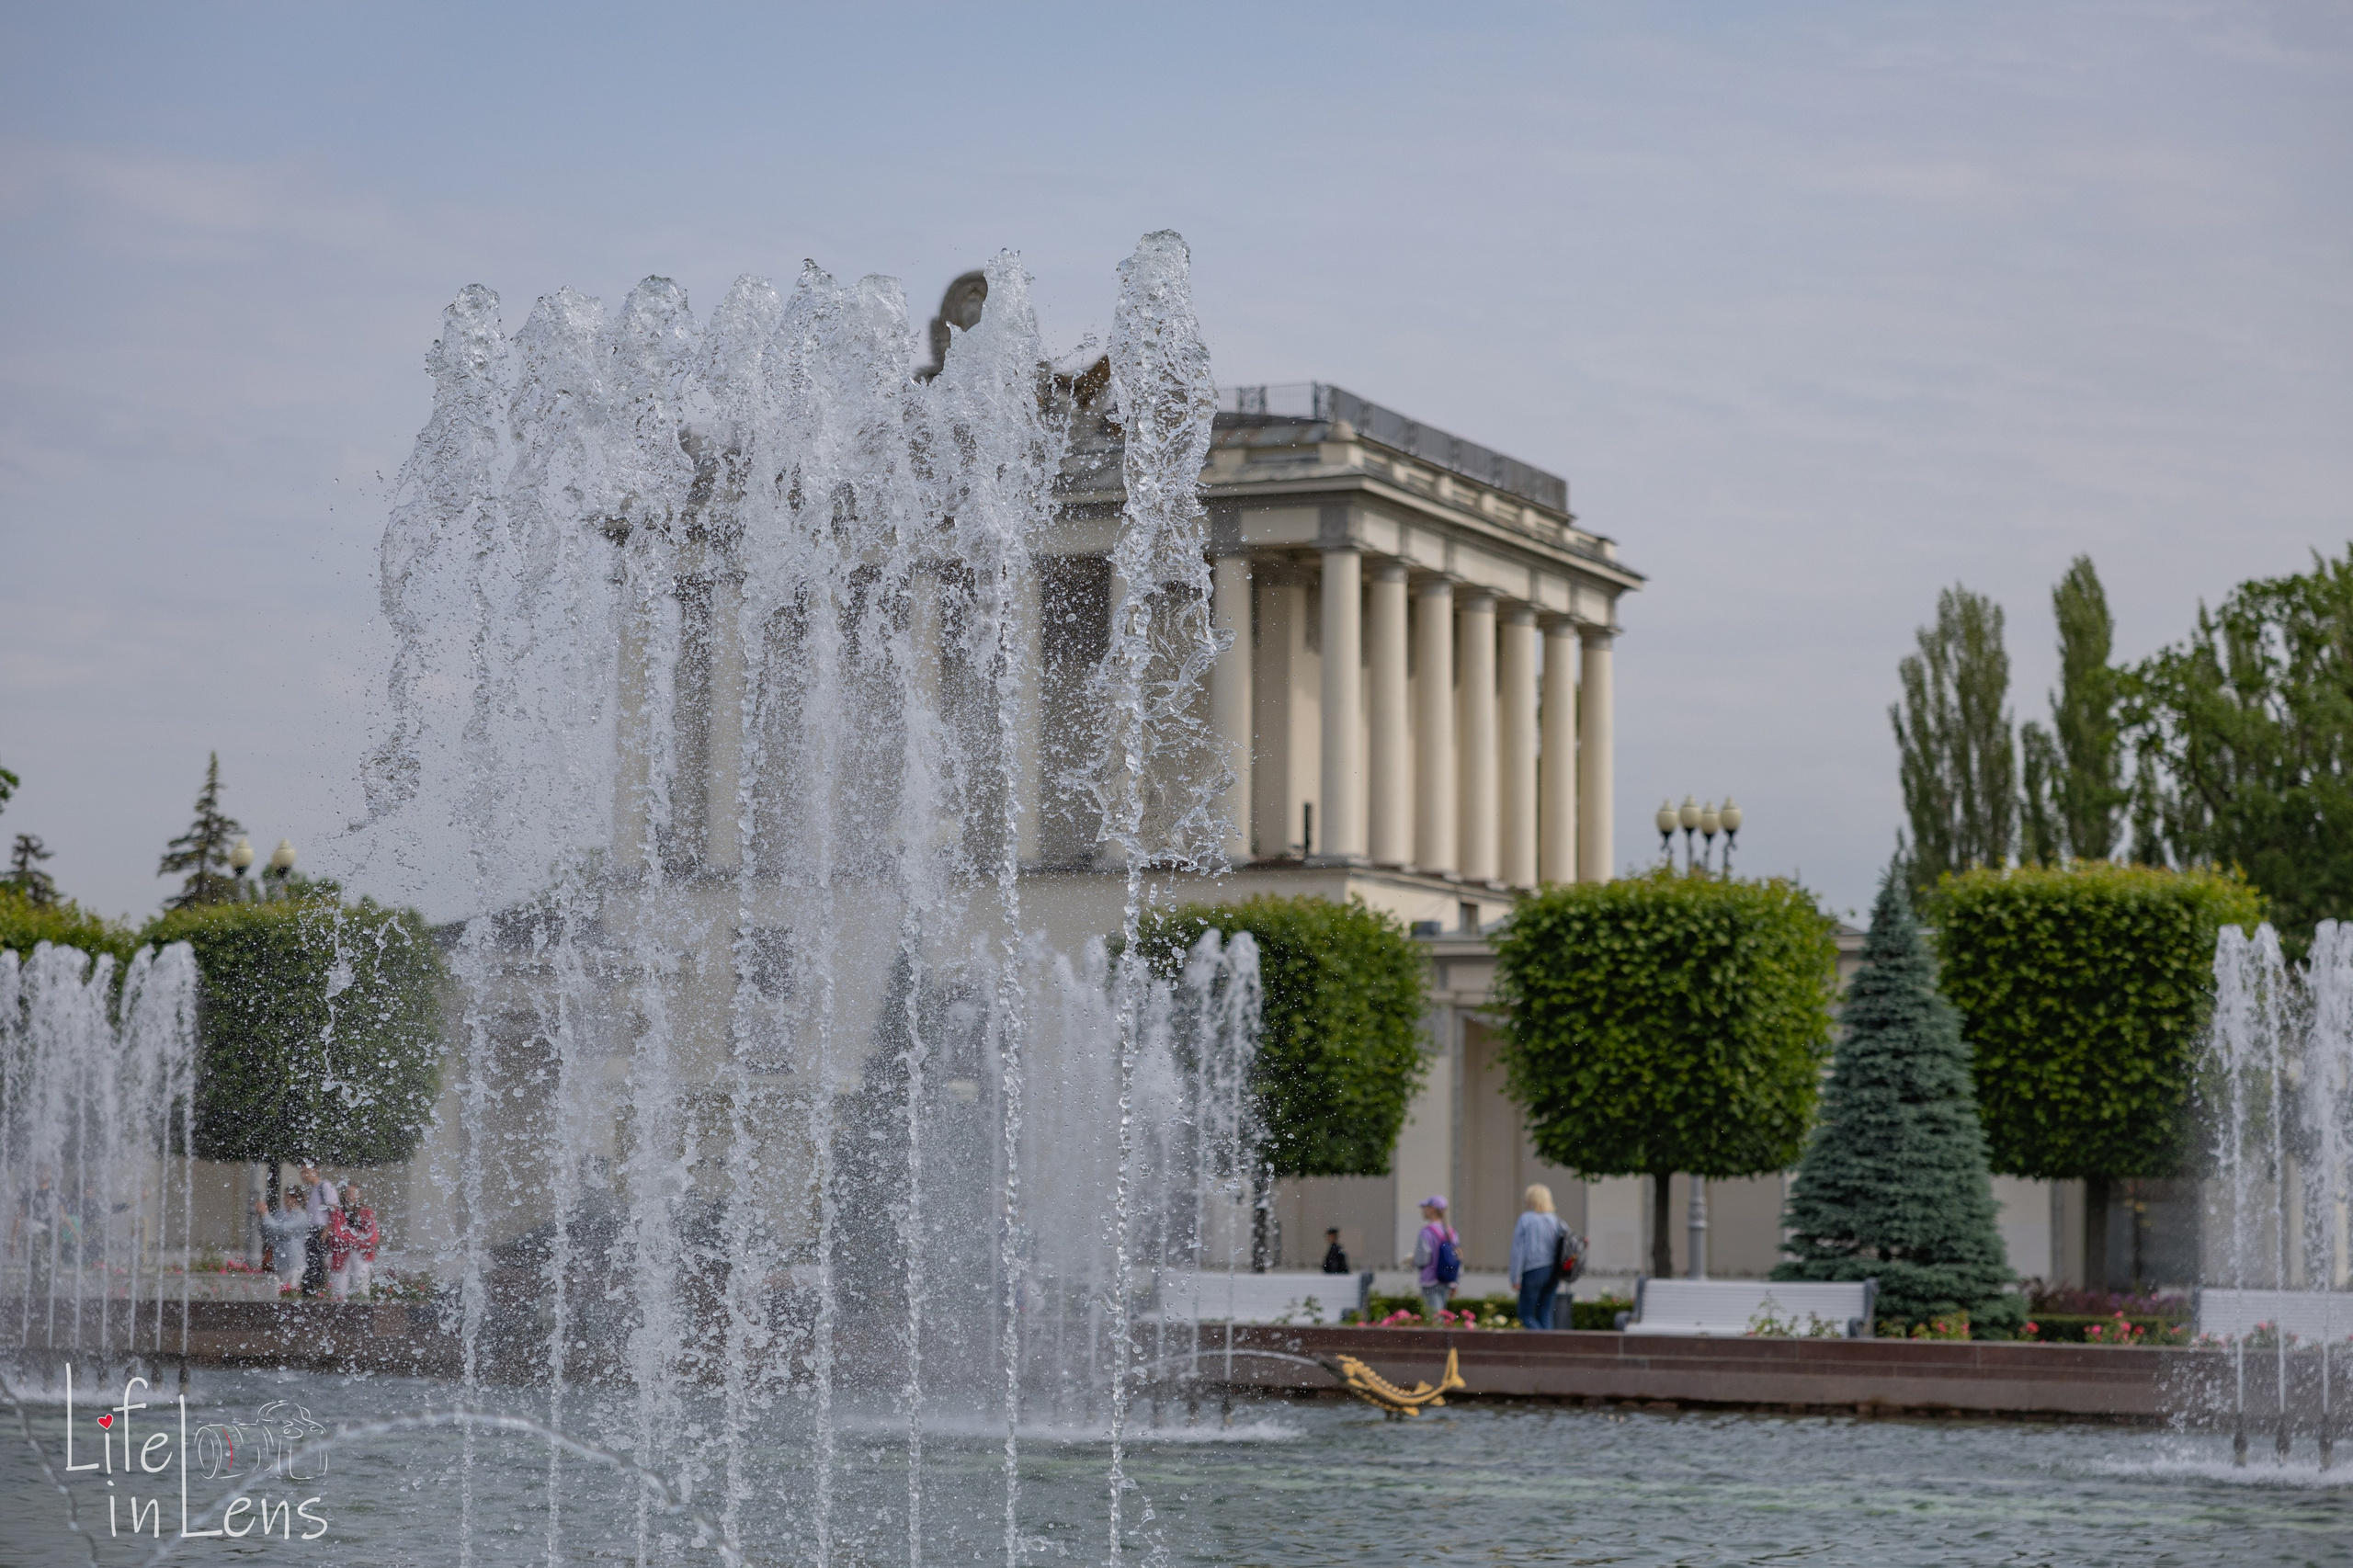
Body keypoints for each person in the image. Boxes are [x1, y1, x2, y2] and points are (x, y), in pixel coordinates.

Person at [1510, 1184, 1568, 1331]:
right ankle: (1549, 1343)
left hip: (1533, 1270)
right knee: (1545, 1313)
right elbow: (1568, 1242)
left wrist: (1515, 1277)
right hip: (1553, 1272)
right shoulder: (1555, 1220)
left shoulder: (1526, 1219)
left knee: (1525, 1314)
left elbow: (1518, 1250)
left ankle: (1541, 1341)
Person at [257, 1187, 313, 1297]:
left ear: (295, 1199)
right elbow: (268, 1232)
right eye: (285, 1197)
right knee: (278, 1293)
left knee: (291, 1292)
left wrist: (266, 1215)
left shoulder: (301, 1216)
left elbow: (283, 1230)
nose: (285, 1200)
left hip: (294, 1262)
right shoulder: (280, 1214)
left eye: (288, 1197)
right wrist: (262, 1217)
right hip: (278, 1261)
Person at [327, 1183, 380, 1301]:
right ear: (344, 1195)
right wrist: (359, 1238)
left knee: (361, 1287)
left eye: (354, 1192)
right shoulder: (338, 1212)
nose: (351, 1195)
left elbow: (373, 1236)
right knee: (339, 1289)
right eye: (348, 1192)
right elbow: (337, 1234)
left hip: (362, 1254)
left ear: (359, 1194)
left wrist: (351, 1239)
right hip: (341, 1255)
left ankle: (362, 1305)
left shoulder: (366, 1212)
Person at [1412, 1197, 1459, 1322]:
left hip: (1430, 1280)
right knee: (1441, 1315)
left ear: (1432, 1210)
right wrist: (1456, 1282)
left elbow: (1422, 1259)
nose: (1423, 1211)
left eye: (1425, 1208)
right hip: (1447, 1280)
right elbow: (1458, 1257)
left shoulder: (1427, 1232)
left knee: (1433, 1317)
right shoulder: (1451, 1232)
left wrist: (1412, 1261)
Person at [299, 1162, 338, 1298]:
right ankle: (312, 1290)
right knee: (311, 1262)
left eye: (306, 1172)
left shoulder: (325, 1186)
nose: (303, 1175)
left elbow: (334, 1209)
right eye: (302, 1172)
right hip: (312, 1230)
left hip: (321, 1230)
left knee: (316, 1262)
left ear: (315, 1171)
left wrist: (327, 1229)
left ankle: (316, 1290)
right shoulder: (312, 1189)